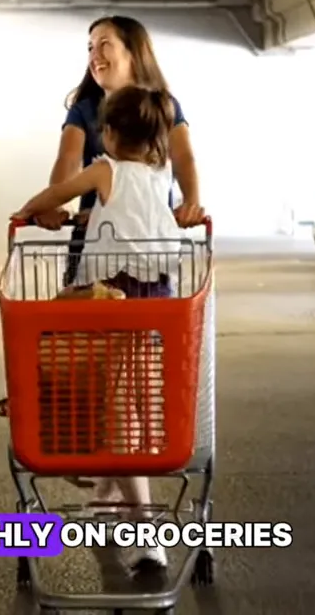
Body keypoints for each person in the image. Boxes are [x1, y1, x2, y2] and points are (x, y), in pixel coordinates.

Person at [15, 85, 185, 573]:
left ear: (107, 133)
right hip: (159, 301)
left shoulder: (104, 169)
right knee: (136, 400)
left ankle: (146, 530)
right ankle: (108, 495)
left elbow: (56, 194)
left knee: (116, 409)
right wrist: (95, 216)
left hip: (112, 299)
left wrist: (29, 210)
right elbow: (136, 216)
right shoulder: (160, 171)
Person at [38, 15, 205, 284]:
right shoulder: (84, 110)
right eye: (90, 47)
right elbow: (67, 159)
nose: (94, 54)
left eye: (105, 44)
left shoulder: (164, 106)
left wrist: (191, 203)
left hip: (149, 240)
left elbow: (183, 157)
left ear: (133, 53)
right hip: (95, 240)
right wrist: (53, 205)